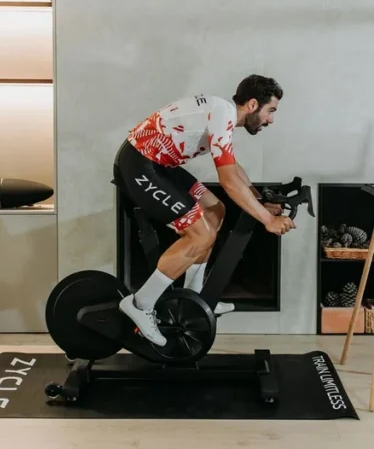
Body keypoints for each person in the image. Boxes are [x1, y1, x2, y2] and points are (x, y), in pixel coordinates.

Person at [113, 74, 296, 346]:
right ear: (252, 104)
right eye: (271, 111)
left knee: (215, 210)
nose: (271, 120)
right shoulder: (222, 113)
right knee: (201, 234)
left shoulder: (222, 112)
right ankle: (141, 304)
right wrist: (267, 219)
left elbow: (233, 168)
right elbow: (228, 181)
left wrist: (260, 201)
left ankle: (195, 296)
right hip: (140, 165)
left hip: (159, 166)